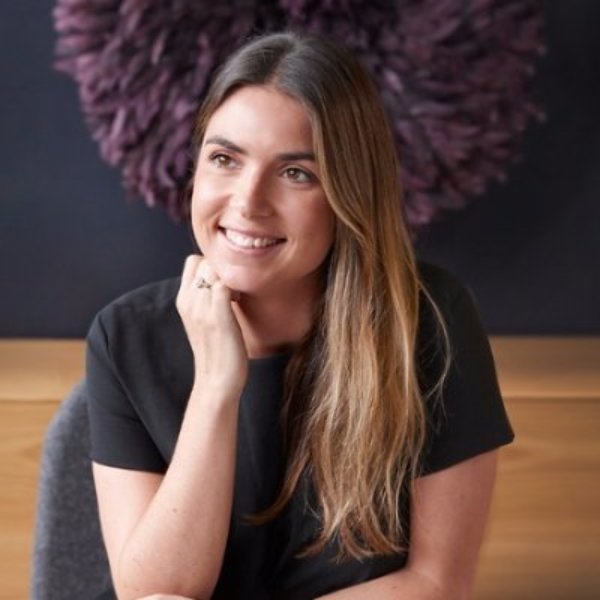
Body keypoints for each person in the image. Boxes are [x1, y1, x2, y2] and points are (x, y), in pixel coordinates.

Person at [86, 31, 514, 600]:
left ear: (348, 192)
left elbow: (437, 583)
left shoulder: (429, 320)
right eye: (224, 159)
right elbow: (156, 592)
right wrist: (216, 385)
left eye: (296, 173)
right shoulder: (125, 336)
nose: (247, 201)